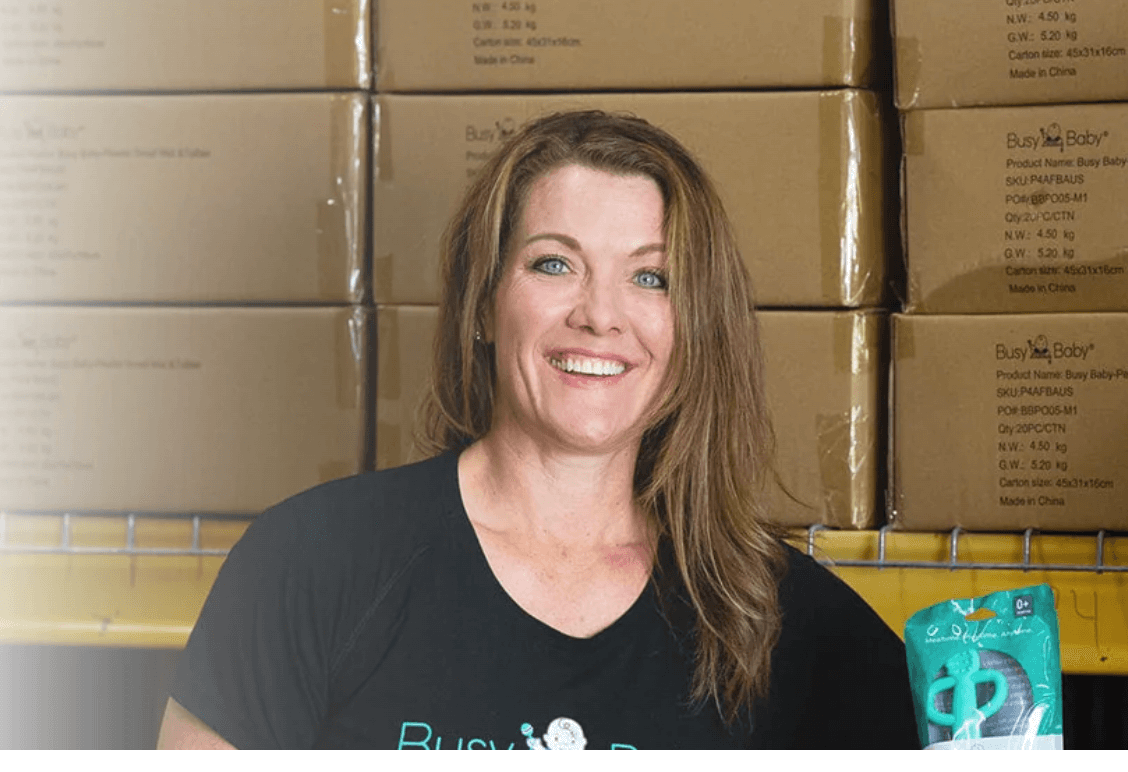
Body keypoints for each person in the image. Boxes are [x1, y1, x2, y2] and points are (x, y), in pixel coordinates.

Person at [158, 110, 920, 749]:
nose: (600, 314)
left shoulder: (787, 620)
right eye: (555, 264)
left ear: (697, 331)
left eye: (651, 277)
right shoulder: (314, 561)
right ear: (483, 303)